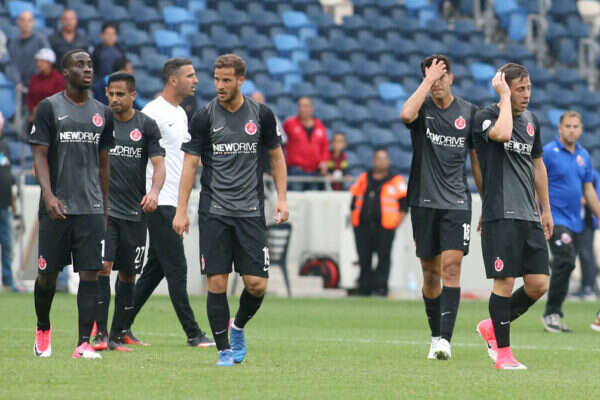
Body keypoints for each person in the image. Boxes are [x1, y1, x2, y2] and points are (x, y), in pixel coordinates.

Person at [173, 54, 289, 366]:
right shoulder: (204, 117)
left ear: (241, 80)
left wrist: (282, 198)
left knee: (256, 284)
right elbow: (190, 164)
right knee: (217, 282)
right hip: (215, 211)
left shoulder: (261, 115)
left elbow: (276, 156)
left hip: (250, 211)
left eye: (226, 80)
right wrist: (182, 209)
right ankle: (223, 349)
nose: (220, 86)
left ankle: (237, 326)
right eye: (217, 79)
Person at [121, 58, 214, 347]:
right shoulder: (152, 113)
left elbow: (183, 157)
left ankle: (120, 326)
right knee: (177, 266)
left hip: (174, 200)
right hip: (159, 201)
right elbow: (135, 155)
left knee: (156, 269)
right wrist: (148, 193)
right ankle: (193, 333)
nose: (195, 80)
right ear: (173, 80)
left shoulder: (181, 113)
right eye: (190, 75)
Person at [29, 49, 114, 359]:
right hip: (57, 208)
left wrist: (105, 208)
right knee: (47, 276)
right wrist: (48, 195)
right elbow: (39, 155)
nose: (87, 69)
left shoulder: (103, 113)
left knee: (91, 273)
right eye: (80, 65)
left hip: (90, 208)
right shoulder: (49, 108)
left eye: (90, 64)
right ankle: (43, 328)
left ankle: (82, 343)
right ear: (65, 72)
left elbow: (104, 164)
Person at [399, 55, 481, 360]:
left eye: (441, 77)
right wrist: (427, 80)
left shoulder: (469, 113)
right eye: (430, 78)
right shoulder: (421, 110)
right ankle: (435, 336)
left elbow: (476, 162)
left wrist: (486, 201)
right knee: (430, 273)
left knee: (451, 267)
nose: (436, 83)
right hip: (423, 201)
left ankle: (446, 339)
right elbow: (405, 114)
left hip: (457, 202)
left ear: (452, 78)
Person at [473, 64, 552, 370]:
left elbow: (538, 165)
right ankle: (503, 355)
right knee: (504, 282)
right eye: (520, 89)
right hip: (500, 213)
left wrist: (546, 209)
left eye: (528, 88)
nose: (526, 94)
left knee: (538, 284)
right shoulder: (485, 116)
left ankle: (491, 326)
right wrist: (504, 98)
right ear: (504, 89)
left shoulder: (532, 121)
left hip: (529, 215)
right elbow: (503, 133)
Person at [90, 71, 166, 351]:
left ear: (133, 95)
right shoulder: (99, 123)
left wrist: (154, 192)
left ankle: (119, 333)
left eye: (120, 94)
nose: (114, 99)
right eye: (110, 93)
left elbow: (159, 165)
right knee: (103, 267)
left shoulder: (146, 126)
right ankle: (100, 334)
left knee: (128, 274)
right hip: (105, 212)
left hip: (135, 212)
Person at [540, 111, 600, 333]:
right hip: (555, 219)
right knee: (565, 259)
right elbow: (536, 181)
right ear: (559, 128)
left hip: (576, 221)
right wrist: (538, 212)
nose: (572, 130)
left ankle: (553, 313)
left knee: (566, 263)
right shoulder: (549, 152)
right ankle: (551, 314)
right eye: (568, 126)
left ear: (581, 129)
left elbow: (588, 190)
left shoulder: (583, 155)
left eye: (576, 126)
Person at [349, 149, 407, 296]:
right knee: (364, 257)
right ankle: (364, 287)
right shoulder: (364, 178)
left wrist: (395, 224)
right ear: (373, 161)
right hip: (363, 226)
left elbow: (404, 206)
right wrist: (354, 221)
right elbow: (354, 201)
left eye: (383, 159)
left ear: (388, 161)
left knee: (383, 257)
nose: (380, 162)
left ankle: (381, 287)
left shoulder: (396, 180)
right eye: (378, 159)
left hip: (385, 227)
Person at [283, 97, 329, 191]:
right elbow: (280, 142)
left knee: (314, 197)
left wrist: (324, 161)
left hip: (315, 171)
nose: (303, 109)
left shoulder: (320, 125)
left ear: (312, 108)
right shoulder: (289, 124)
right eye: (301, 106)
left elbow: (324, 146)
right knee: (295, 197)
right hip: (295, 171)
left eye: (306, 106)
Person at [0, 112, 20, 292]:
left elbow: (9, 176)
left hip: (5, 205)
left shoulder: (5, 146)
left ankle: (8, 280)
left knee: (7, 245)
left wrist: (13, 203)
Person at [7, 11, 50, 90]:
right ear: (18, 22)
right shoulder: (13, 43)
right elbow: (13, 65)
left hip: (38, 85)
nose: (26, 23)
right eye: (23, 20)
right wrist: (17, 82)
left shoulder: (41, 40)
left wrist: (36, 81)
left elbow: (47, 62)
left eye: (29, 20)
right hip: (19, 86)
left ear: (33, 23)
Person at [575, 168, 599, 301]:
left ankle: (589, 287)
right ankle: (585, 286)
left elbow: (591, 196)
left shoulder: (591, 175)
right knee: (580, 255)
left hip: (587, 222)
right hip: (575, 222)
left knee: (587, 254)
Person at [26, 48, 66, 119]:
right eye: (38, 61)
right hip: (36, 116)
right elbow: (30, 98)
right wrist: (33, 109)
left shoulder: (59, 79)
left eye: (42, 62)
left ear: (49, 63)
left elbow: (59, 100)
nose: (38, 64)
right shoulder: (34, 79)